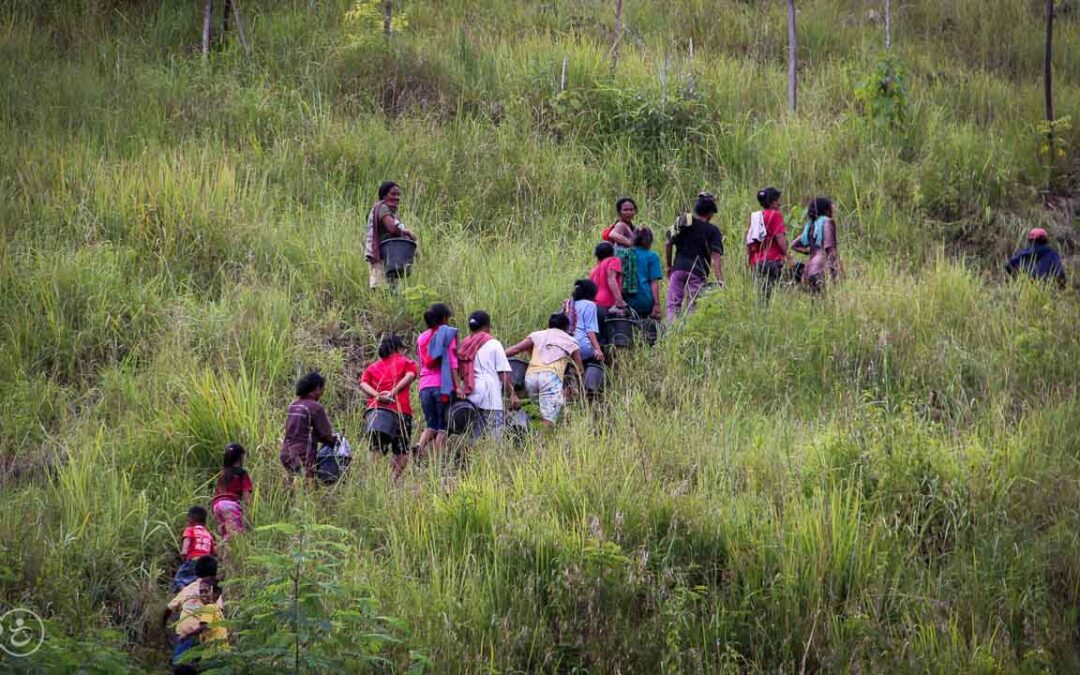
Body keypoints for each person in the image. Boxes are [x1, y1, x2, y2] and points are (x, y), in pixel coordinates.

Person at [505, 313, 584, 428]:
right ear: (567, 327)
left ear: (549, 324)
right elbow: (579, 369)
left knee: (536, 413)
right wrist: (577, 388)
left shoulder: (537, 335)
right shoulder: (571, 341)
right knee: (548, 419)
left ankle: (530, 439)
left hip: (531, 377)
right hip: (551, 378)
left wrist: (496, 356)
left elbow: (515, 349)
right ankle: (539, 445)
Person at [358, 334, 418, 478]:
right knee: (402, 451)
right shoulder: (406, 362)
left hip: (377, 413)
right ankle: (391, 483)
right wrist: (393, 392)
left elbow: (363, 383)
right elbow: (410, 376)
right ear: (398, 348)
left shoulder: (372, 367)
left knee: (375, 449)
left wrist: (377, 396)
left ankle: (371, 483)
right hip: (400, 412)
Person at [457, 311, 520, 440]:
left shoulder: (464, 345)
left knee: (473, 436)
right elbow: (503, 373)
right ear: (487, 326)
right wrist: (512, 394)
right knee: (495, 436)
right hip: (490, 396)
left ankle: (468, 458)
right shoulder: (494, 344)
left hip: (470, 395)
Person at [665, 192, 725, 319]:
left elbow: (668, 242)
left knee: (673, 306)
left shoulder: (685, 219)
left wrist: (668, 266)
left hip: (678, 269)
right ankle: (689, 334)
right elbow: (715, 258)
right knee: (694, 308)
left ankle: (672, 334)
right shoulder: (713, 230)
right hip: (698, 272)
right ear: (710, 213)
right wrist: (720, 280)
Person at [416, 304, 461, 456]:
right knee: (443, 428)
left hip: (424, 386)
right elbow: (453, 363)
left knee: (431, 426)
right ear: (444, 318)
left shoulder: (421, 337)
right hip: (442, 386)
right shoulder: (447, 334)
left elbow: (422, 363)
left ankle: (420, 446)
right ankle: (437, 464)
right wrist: (458, 386)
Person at [280, 371, 338, 486]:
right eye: (322, 389)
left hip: (286, 452)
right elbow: (326, 435)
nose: (322, 392)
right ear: (316, 388)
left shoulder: (293, 405)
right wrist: (336, 442)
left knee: (291, 485)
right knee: (306, 487)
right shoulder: (316, 407)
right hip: (303, 454)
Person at [162, 556, 221, 665]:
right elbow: (219, 610)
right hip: (204, 636)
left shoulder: (187, 589)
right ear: (214, 572)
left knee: (180, 665)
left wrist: (163, 623)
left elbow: (169, 608)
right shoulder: (214, 590)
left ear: (196, 571)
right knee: (200, 667)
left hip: (184, 633)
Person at [365, 180, 417, 289]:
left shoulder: (392, 213)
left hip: (390, 257)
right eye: (393, 194)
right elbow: (392, 229)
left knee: (390, 290)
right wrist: (406, 232)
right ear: (384, 195)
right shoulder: (383, 208)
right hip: (381, 257)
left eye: (398, 195)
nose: (397, 197)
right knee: (380, 289)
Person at [746, 187, 789, 299]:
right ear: (773, 202)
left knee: (762, 297)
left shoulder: (754, 217)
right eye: (778, 200)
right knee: (783, 293)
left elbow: (749, 241)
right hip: (772, 261)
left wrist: (749, 260)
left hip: (756, 262)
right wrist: (788, 256)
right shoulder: (776, 215)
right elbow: (780, 240)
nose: (780, 203)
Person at [792, 197, 843, 293]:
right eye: (832, 207)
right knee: (823, 303)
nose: (834, 210)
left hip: (809, 270)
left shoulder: (811, 225)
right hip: (820, 269)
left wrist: (812, 252)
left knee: (815, 303)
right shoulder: (828, 222)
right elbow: (831, 250)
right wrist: (836, 272)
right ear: (827, 210)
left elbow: (794, 245)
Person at [211, 443, 252, 543]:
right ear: (241, 457)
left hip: (217, 506)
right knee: (236, 536)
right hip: (231, 506)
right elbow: (246, 494)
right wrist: (249, 511)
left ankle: (223, 556)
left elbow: (217, 492)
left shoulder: (223, 474)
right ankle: (230, 555)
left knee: (225, 534)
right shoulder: (242, 473)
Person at [171, 506, 216, 593]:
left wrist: (184, 551)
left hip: (194, 560)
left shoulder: (190, 530)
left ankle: (185, 593)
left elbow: (187, 540)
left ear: (191, 519)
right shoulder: (208, 534)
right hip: (206, 563)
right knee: (198, 581)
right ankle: (199, 595)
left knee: (178, 579)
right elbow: (212, 552)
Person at [624, 227, 664, 319]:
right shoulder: (653, 256)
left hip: (626, 301)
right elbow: (654, 282)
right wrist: (656, 304)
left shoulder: (624, 254)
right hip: (645, 300)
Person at [563, 279, 604, 364]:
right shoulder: (590, 305)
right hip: (580, 346)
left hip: (565, 345)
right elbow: (590, 331)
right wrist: (598, 350)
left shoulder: (568, 303)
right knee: (596, 356)